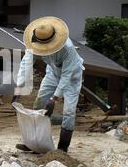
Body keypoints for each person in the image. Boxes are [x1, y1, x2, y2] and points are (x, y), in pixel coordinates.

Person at [13, 17, 84, 153]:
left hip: (72, 77)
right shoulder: (34, 41)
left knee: (68, 112)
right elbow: (26, 64)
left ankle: (62, 148)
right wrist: (19, 88)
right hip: (52, 73)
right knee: (39, 103)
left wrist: (55, 98)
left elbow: (66, 75)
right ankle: (35, 143)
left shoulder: (67, 48)